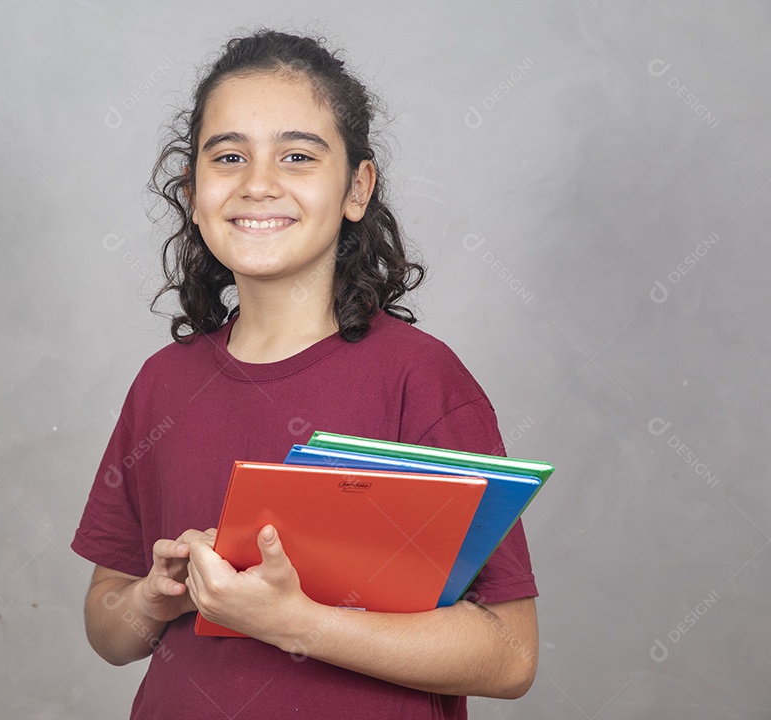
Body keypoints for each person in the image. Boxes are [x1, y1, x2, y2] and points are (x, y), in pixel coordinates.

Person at [71, 27, 538, 719]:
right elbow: (108, 629)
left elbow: (510, 653)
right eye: (228, 157)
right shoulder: (161, 385)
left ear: (356, 188)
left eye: (296, 156)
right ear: (194, 193)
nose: (258, 184)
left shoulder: (422, 380)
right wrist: (151, 596)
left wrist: (295, 622)